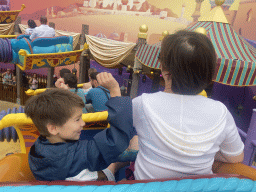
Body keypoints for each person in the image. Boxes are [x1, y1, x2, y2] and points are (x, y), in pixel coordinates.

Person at [132, 30, 244, 180]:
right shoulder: (221, 112)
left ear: (165, 70)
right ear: (209, 73)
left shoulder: (142, 104)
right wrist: (205, 152)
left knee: (135, 141)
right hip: (198, 188)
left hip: (148, 187)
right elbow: (236, 157)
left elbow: (116, 136)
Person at [25, 73, 134, 181]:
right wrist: (114, 90)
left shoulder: (38, 148)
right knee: (120, 162)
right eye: (77, 119)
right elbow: (115, 141)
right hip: (94, 183)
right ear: (53, 128)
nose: (83, 123)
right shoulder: (78, 155)